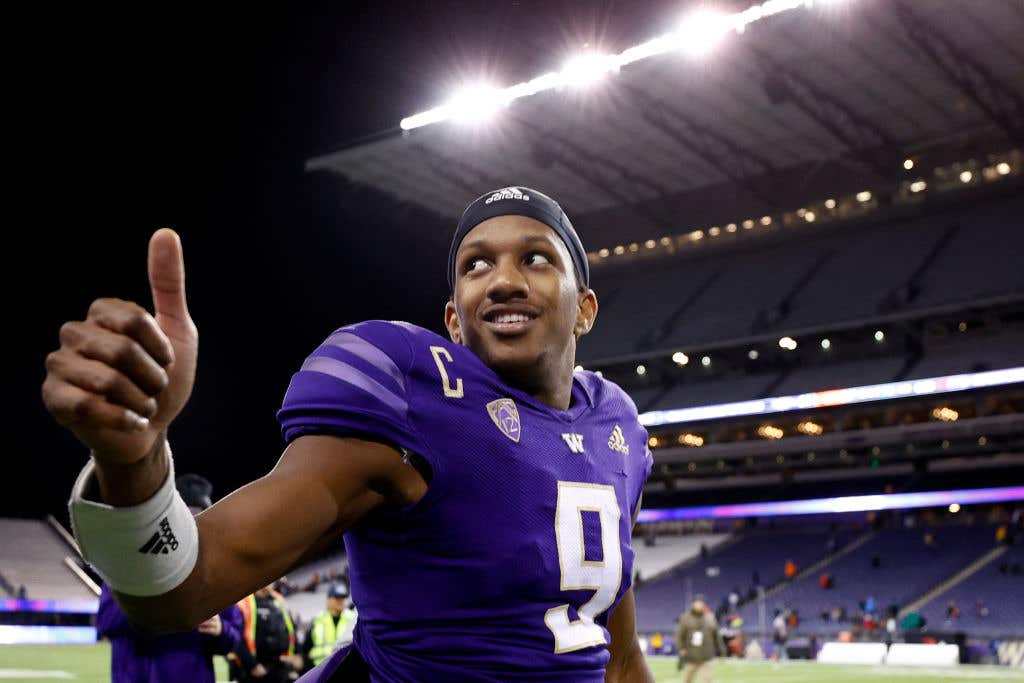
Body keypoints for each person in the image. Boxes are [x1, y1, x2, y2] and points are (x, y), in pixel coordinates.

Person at [45, 186, 655, 682]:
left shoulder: (617, 427)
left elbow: (620, 659)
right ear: (453, 319)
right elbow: (179, 591)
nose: (501, 281)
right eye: (476, 265)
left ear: (585, 309)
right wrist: (134, 459)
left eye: (537, 257)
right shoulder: (413, 397)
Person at [95, 474, 243, 682]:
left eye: (201, 515)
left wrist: (220, 630)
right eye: (187, 514)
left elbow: (232, 640)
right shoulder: (129, 562)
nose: (193, 523)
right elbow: (107, 623)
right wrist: (151, 599)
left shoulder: (212, 568)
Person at [231, 584, 301, 682]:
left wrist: (297, 654)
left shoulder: (278, 599)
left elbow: (290, 628)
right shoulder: (244, 602)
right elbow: (237, 636)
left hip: (280, 664)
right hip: (256, 668)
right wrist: (252, 665)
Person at [300, 582, 357, 671]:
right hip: (320, 670)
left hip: (347, 668)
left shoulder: (352, 618)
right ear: (328, 599)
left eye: (342, 598)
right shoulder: (317, 620)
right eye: (336, 597)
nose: (340, 601)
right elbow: (305, 648)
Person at [674, 599, 725, 683]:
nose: (699, 606)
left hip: (706, 656)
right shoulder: (685, 618)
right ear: (693, 604)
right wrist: (681, 648)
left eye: (701, 604)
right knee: (687, 680)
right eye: (697, 603)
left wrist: (722, 651)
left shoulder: (710, 618)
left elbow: (717, 637)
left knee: (707, 680)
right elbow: (679, 635)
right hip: (691, 656)